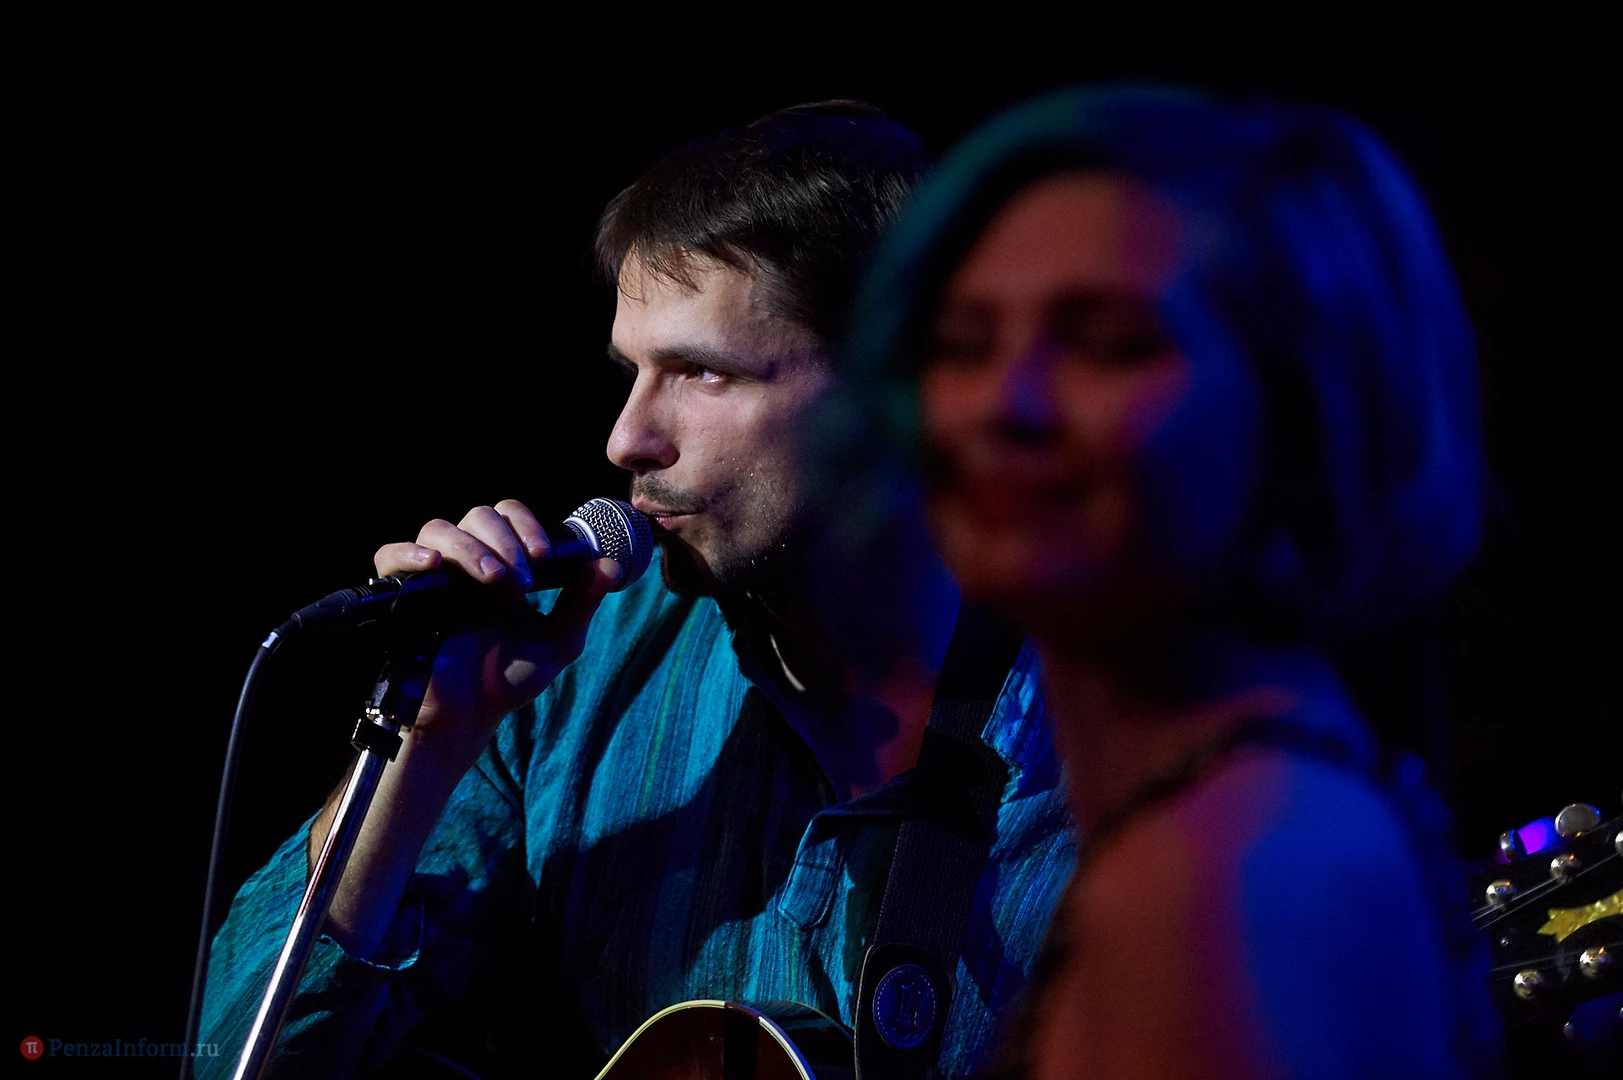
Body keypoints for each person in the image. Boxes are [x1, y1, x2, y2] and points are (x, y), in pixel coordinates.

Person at [199, 102, 1076, 1079]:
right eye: (632, 371)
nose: (627, 438)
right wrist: (431, 740)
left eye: (700, 373)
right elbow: (242, 1055)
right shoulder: (571, 682)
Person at [831, 87, 1498, 1078]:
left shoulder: (1241, 874)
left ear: (1302, 409)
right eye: (962, 345)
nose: (1006, 403)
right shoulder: (1232, 820)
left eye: (1108, 344)